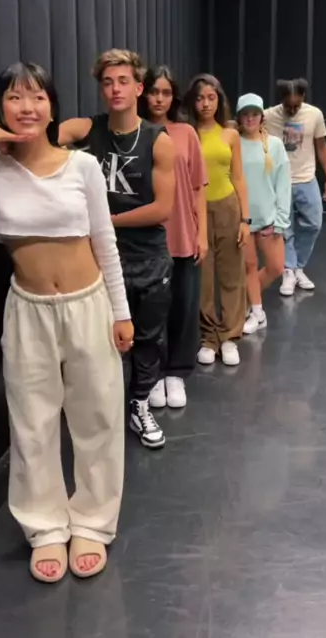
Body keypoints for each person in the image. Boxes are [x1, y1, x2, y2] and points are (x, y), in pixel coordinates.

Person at [0, 62, 133, 584]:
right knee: (32, 423)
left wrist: (121, 311)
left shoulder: (82, 166)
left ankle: (92, 522)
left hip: (88, 305)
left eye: (37, 96)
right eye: (14, 98)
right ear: (0, 107)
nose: (27, 107)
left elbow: (105, 242)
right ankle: (45, 527)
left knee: (98, 418)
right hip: (28, 310)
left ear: (52, 106)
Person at [59, 50, 175, 449]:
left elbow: (163, 208)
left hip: (147, 256)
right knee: (98, 341)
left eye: (123, 81)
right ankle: (102, 412)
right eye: (107, 83)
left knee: (147, 337)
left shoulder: (159, 141)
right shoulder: (88, 129)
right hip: (99, 258)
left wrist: (106, 222)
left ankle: (139, 404)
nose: (115, 89)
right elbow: (46, 136)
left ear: (139, 88)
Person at [139, 65, 207, 409]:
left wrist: (202, 233)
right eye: (154, 91)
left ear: (174, 97)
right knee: (151, 311)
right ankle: (151, 373)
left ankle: (176, 372)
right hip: (145, 238)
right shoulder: (134, 132)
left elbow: (198, 188)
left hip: (182, 233)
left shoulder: (186, 133)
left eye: (166, 93)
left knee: (183, 305)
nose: (159, 99)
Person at [184, 74, 250, 367]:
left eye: (211, 98)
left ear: (219, 100)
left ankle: (230, 335)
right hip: (196, 209)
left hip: (227, 207)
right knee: (204, 276)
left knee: (232, 273)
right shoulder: (188, 133)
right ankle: (208, 337)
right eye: (200, 98)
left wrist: (246, 220)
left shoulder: (230, 135)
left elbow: (239, 177)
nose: (205, 104)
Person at [264, 78, 326, 296]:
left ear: (304, 97)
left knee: (314, 223)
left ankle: (297, 266)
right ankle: (289, 270)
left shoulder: (314, 115)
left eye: (297, 105)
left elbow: (321, 147)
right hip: (279, 181)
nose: (292, 110)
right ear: (281, 100)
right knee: (284, 229)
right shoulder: (268, 116)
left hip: (306, 178)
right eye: (288, 106)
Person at [236, 93, 291, 333]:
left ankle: (243, 299)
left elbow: (283, 185)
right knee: (249, 266)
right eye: (245, 115)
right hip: (243, 220)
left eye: (254, 114)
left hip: (269, 221)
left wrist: (280, 221)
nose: (250, 119)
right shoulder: (234, 143)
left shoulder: (275, 145)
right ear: (239, 118)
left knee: (277, 267)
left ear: (261, 117)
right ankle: (257, 313)